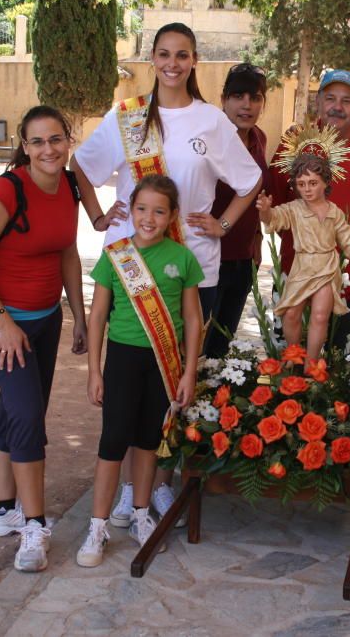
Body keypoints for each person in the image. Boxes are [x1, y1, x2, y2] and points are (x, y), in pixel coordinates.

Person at [70, 23, 263, 528]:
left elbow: (248, 180)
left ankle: (157, 485)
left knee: (176, 382)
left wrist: (222, 224)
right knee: (131, 379)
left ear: (194, 60)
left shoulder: (211, 121)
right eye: (163, 54)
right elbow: (82, 167)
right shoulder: (129, 115)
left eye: (182, 55)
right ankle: (130, 488)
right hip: (133, 267)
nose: (172, 63)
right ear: (152, 58)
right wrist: (97, 217)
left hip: (190, 264)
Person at [0, 105, 87, 573]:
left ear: (67, 140)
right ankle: (33, 526)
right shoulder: (5, 192)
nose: (48, 149)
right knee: (29, 414)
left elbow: (68, 253)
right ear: (24, 145)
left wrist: (79, 314)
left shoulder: (69, 186)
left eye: (56, 139)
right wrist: (4, 321)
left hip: (46, 320)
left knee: (16, 410)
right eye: (38, 142)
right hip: (1, 325)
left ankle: (2, 511)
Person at [76, 175, 203, 567]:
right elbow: (97, 316)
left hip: (163, 364)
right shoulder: (116, 255)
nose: (149, 218)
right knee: (113, 441)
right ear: (131, 211)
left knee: (149, 440)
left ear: (172, 215)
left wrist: (189, 373)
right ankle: (97, 526)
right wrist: (94, 371)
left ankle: (140, 513)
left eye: (159, 211)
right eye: (142, 209)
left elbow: (193, 320)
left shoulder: (182, 258)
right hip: (122, 358)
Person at [269, 69, 350, 350]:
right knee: (288, 376)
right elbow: (275, 202)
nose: (337, 107)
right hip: (296, 280)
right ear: (319, 102)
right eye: (330, 98)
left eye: (347, 100)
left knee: (342, 384)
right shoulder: (294, 144)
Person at [258, 146, 350, 360]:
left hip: (326, 268)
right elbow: (273, 218)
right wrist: (265, 210)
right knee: (291, 315)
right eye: (301, 184)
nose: (307, 189)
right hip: (301, 267)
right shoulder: (293, 209)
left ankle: (311, 362)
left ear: (325, 182)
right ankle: (294, 357)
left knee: (320, 316)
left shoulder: (334, 212)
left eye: (313, 183)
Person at [204, 63, 272, 358]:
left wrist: (256, 238)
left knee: (221, 343)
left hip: (244, 262)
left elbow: (256, 193)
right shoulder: (207, 139)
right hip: (208, 259)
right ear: (223, 99)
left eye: (255, 98)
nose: (247, 105)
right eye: (238, 96)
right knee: (196, 346)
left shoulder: (259, 138)